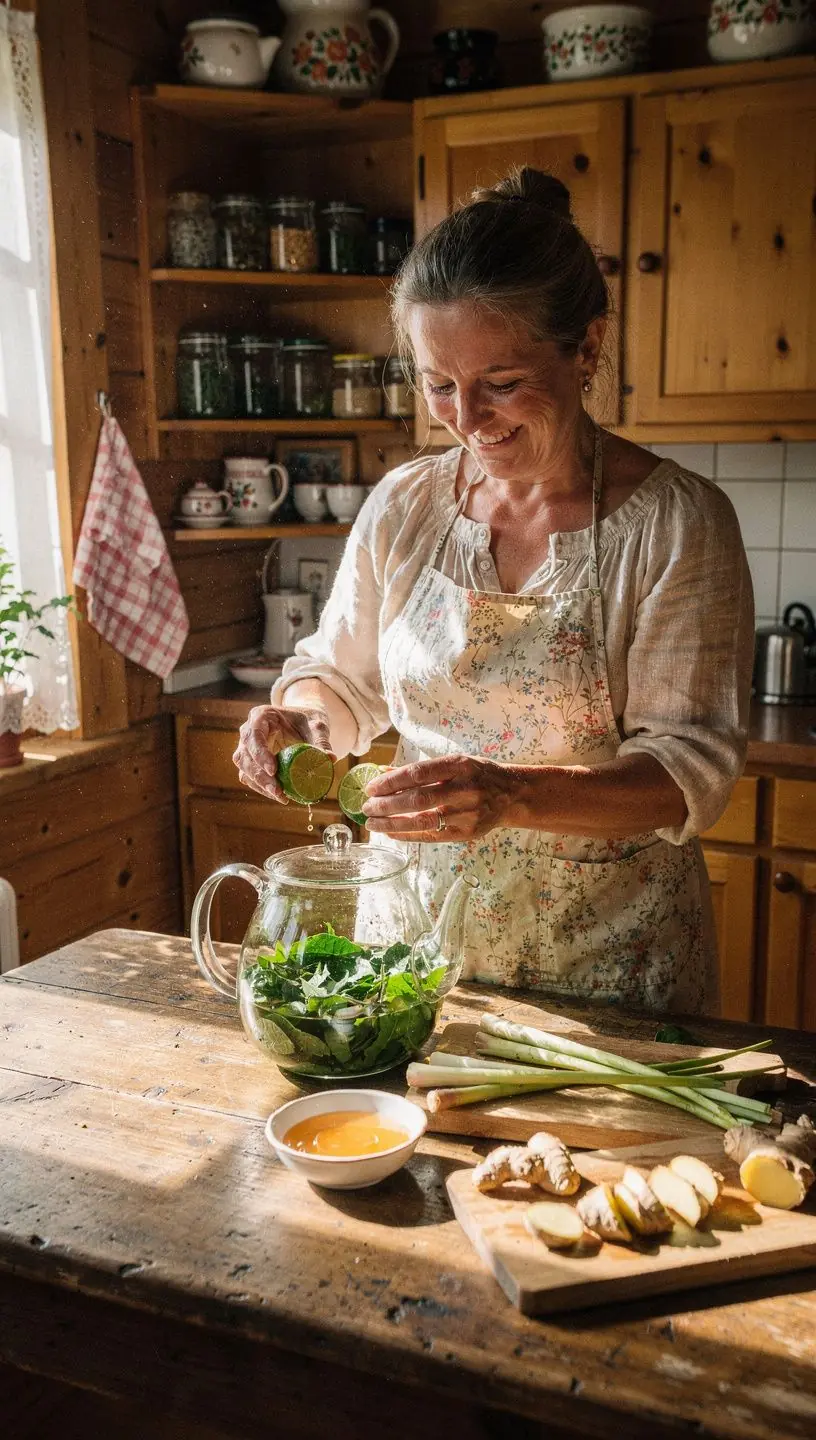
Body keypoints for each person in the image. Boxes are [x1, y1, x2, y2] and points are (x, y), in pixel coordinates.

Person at [233, 167, 753, 1015]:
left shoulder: (675, 523)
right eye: (440, 384)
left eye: (502, 382)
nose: (467, 419)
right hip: (414, 936)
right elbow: (346, 684)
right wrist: (298, 718)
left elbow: (686, 770)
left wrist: (510, 796)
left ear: (586, 347)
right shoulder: (406, 504)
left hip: (615, 960)